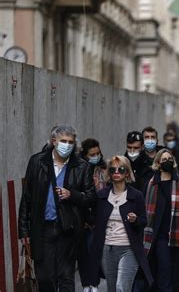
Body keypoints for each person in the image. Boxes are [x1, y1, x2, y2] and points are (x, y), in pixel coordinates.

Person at [18, 125, 96, 291]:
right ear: (54, 141)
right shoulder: (37, 162)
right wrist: (24, 231)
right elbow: (27, 198)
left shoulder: (82, 167)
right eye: (63, 141)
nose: (67, 145)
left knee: (66, 277)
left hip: (68, 230)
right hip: (43, 228)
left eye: (70, 142)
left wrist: (72, 194)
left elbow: (91, 198)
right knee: (45, 278)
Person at [86, 156, 153, 291]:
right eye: (112, 169)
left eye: (121, 169)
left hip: (129, 248)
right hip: (107, 248)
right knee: (112, 288)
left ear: (127, 173)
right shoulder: (102, 196)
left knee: (121, 287)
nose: (116, 172)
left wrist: (135, 220)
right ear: (109, 173)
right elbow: (93, 218)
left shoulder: (136, 195)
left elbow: (144, 221)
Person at [144, 149, 179, 291]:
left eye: (170, 159)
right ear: (158, 163)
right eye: (164, 160)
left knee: (176, 273)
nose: (167, 162)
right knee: (164, 267)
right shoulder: (151, 185)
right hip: (159, 236)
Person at [79, 138, 107, 292]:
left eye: (97, 153)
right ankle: (86, 284)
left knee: (94, 250)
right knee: (83, 253)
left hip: (98, 218)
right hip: (81, 218)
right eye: (92, 154)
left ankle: (94, 283)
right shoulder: (80, 170)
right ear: (85, 155)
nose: (96, 156)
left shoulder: (104, 170)